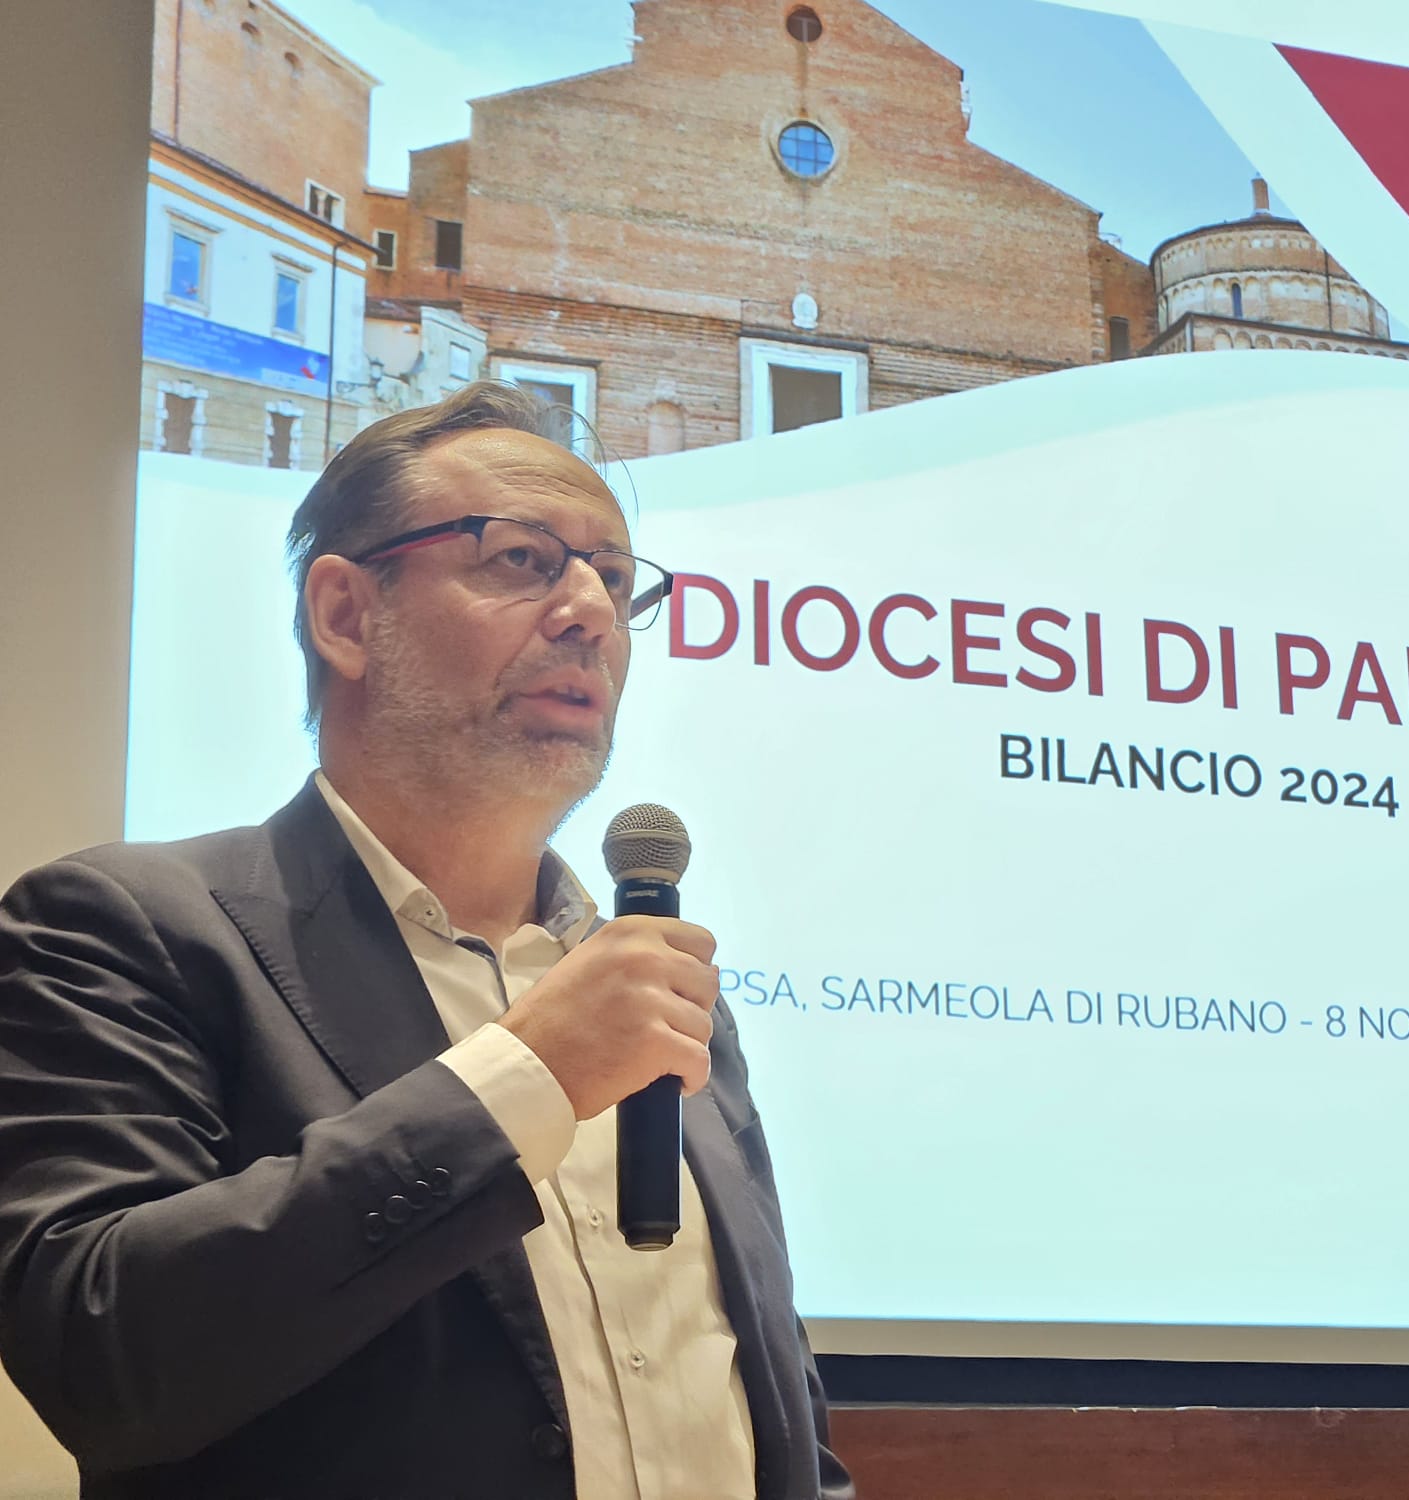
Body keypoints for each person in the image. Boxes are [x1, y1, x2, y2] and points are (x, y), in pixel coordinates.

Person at [0, 382, 854, 1499]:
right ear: (346, 617)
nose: (590, 612)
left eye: (612, 577)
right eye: (522, 559)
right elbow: (102, 1355)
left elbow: (766, 1394)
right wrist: (526, 1078)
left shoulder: (656, 987)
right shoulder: (126, 927)